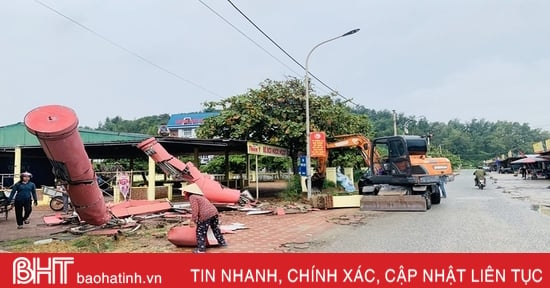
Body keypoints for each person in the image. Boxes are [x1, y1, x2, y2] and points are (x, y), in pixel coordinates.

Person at [184, 183, 227, 253]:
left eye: (185, 192)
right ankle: (222, 242)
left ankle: (201, 250)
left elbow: (195, 210)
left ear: (188, 192)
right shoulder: (201, 196)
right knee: (215, 228)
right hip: (214, 212)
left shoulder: (192, 197)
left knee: (200, 232)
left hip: (205, 214)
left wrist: (193, 220)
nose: (184, 193)